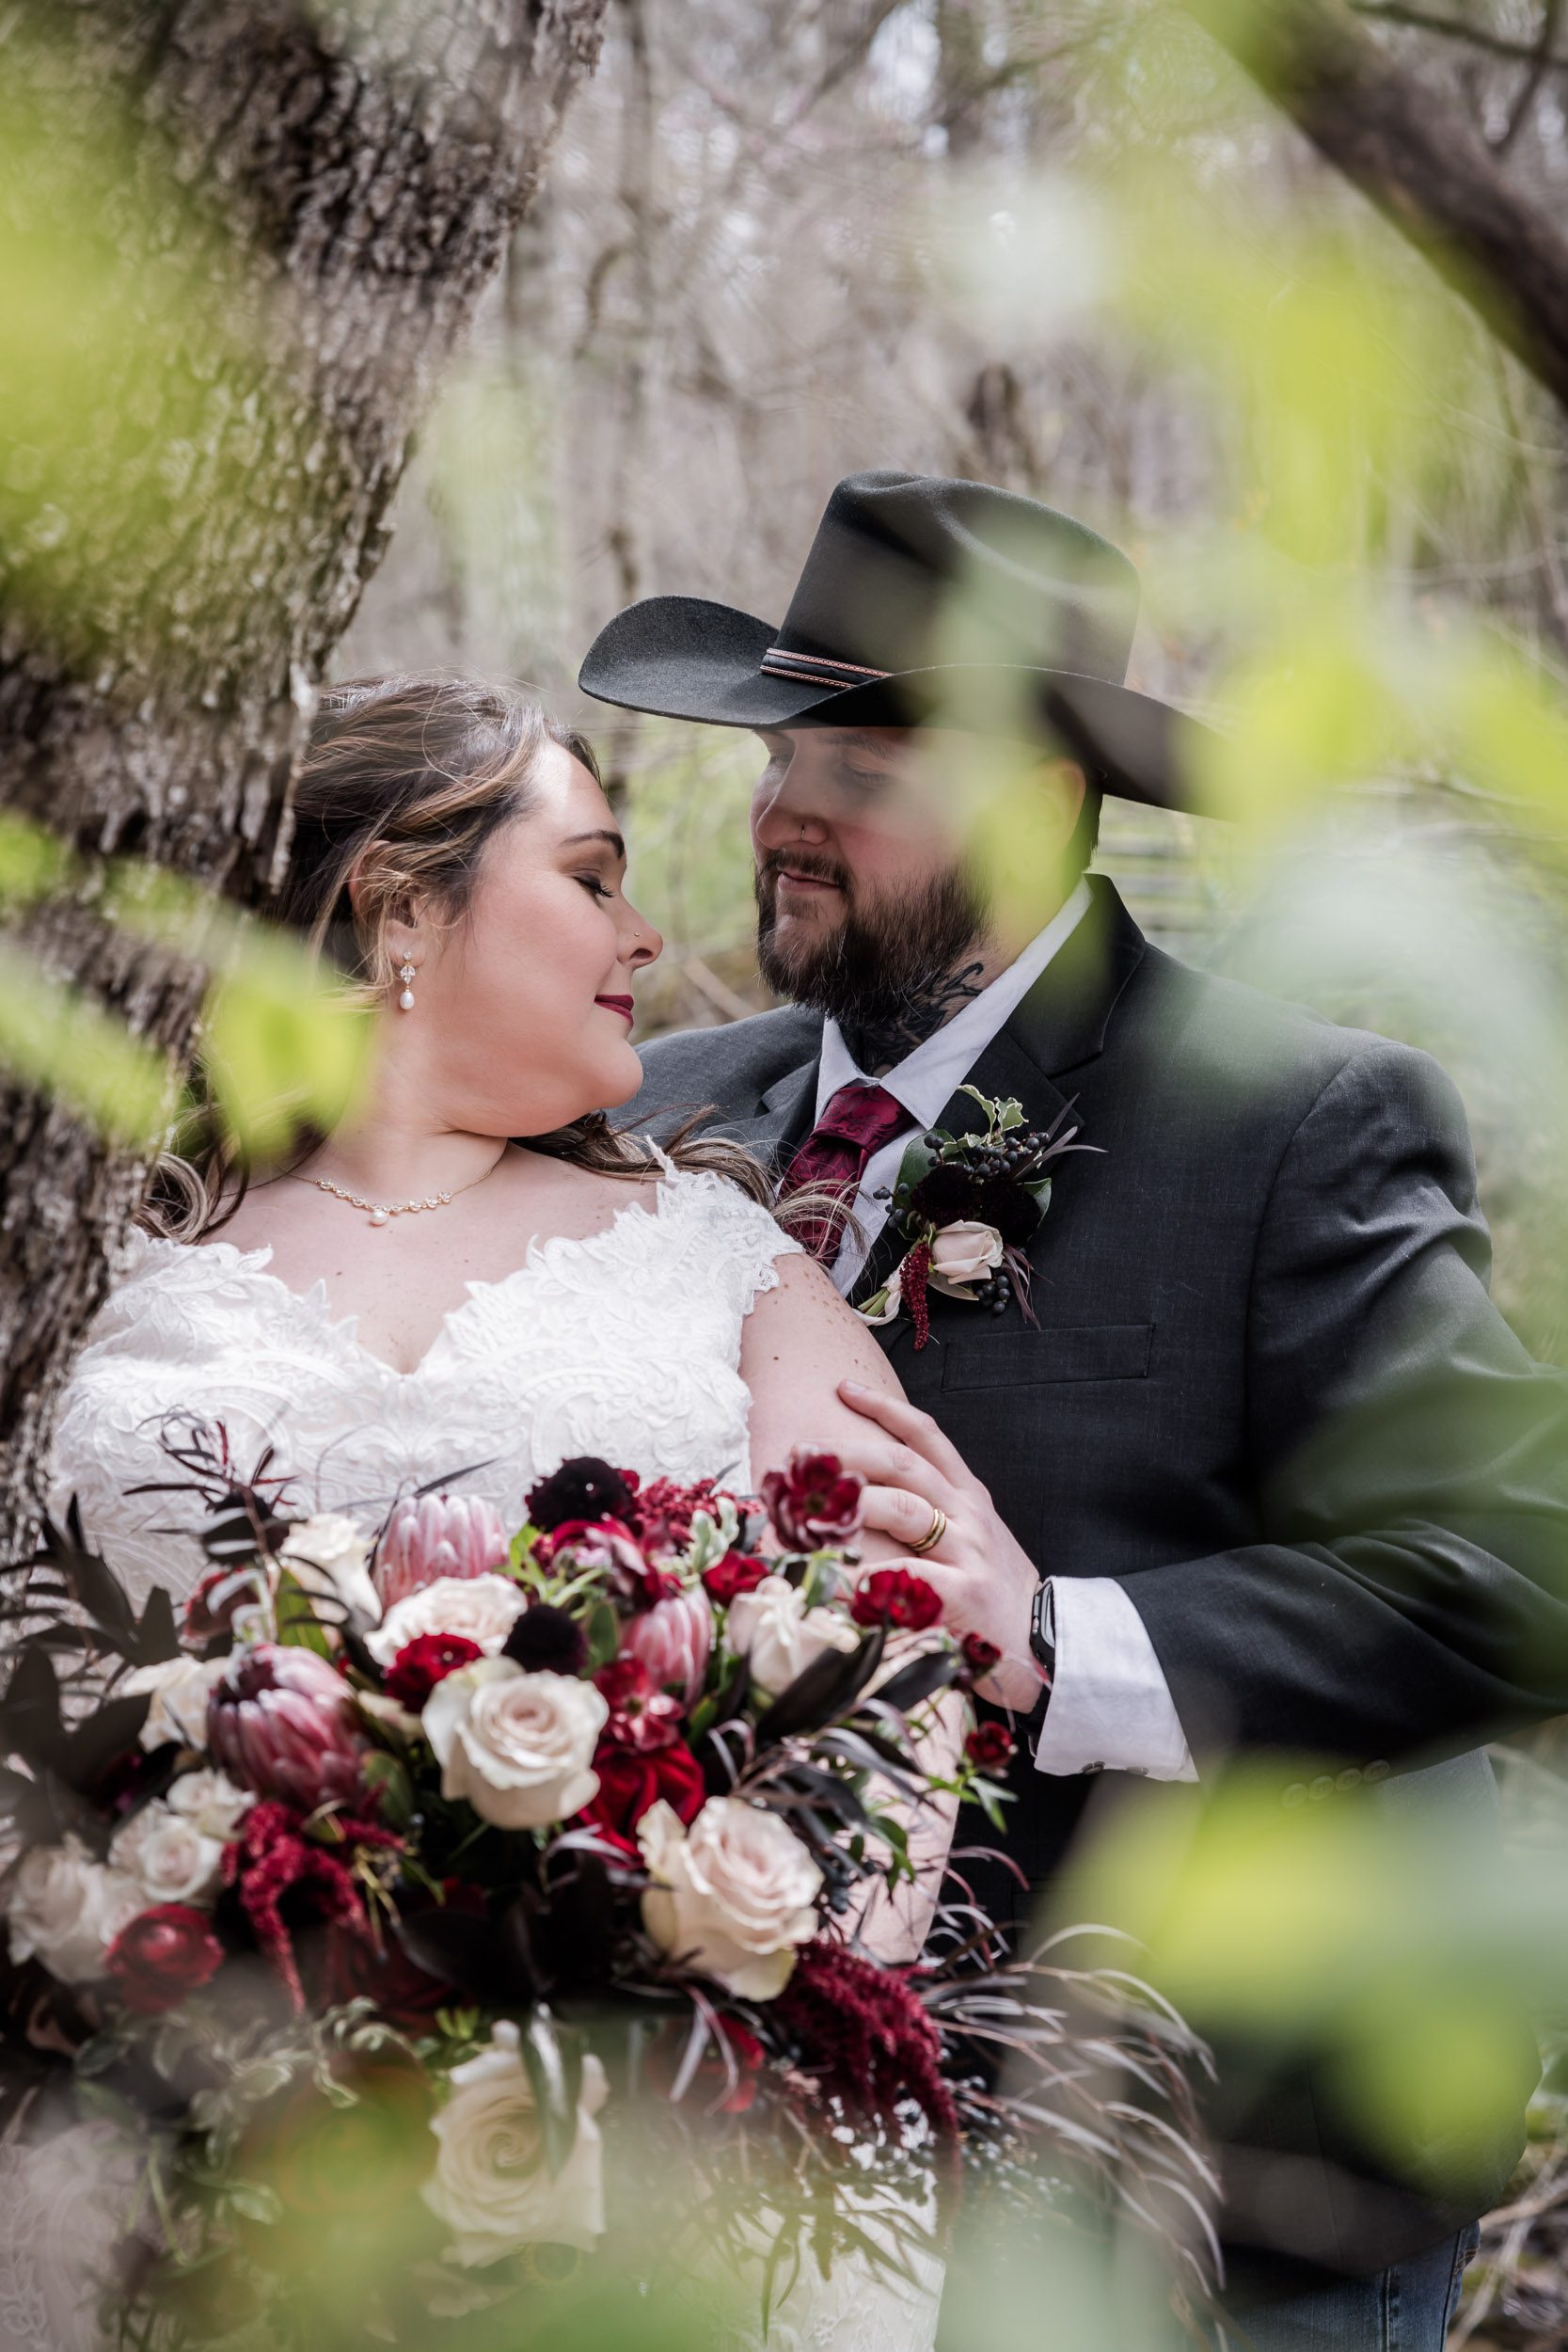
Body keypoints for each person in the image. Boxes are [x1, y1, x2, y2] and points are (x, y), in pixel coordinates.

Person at [580, 469, 1568, 2350]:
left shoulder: (1292, 1119)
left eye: (865, 768)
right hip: (762, 2153)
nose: (785, 809)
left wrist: (1055, 1636)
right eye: (784, 752)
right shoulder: (666, 1102)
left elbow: (1508, 1572)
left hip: (1215, 2170)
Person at [17, 673, 954, 2352]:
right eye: (591, 876)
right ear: (394, 909)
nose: (648, 934)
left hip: (659, 2159)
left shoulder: (727, 1265)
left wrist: (746, 2037)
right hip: (146, 2135)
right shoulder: (91, 1254)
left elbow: (900, 1683)